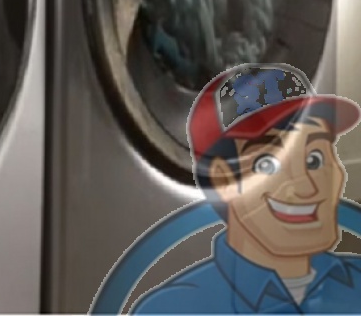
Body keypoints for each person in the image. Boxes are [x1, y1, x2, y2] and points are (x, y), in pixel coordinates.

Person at [131, 63, 361, 314]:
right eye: (268, 164)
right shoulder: (171, 309)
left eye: (314, 159)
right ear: (223, 180)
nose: (307, 187)